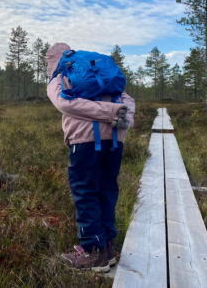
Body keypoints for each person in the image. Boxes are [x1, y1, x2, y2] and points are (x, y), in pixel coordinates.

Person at [46, 42, 135, 273]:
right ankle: (106, 249)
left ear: (52, 60)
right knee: (106, 189)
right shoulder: (98, 72)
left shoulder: (61, 76)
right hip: (116, 138)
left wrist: (112, 114)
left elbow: (65, 104)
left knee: (86, 192)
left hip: (84, 141)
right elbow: (126, 100)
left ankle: (92, 253)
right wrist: (123, 118)